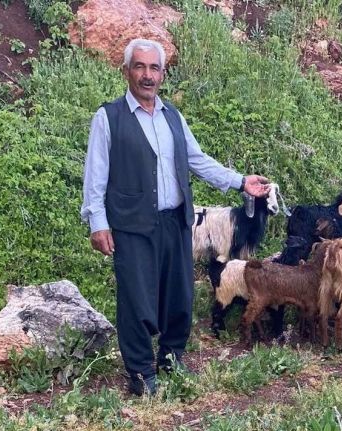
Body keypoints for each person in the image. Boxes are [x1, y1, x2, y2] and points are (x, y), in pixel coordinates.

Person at [80, 38, 270, 396]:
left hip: (175, 222)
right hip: (132, 225)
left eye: (154, 68)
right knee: (136, 300)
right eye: (140, 66)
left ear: (163, 74)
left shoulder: (172, 117)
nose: (147, 75)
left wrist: (240, 181)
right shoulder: (109, 117)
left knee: (178, 296)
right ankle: (140, 375)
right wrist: (98, 222)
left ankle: (171, 359)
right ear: (126, 71)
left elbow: (197, 160)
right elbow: (95, 176)